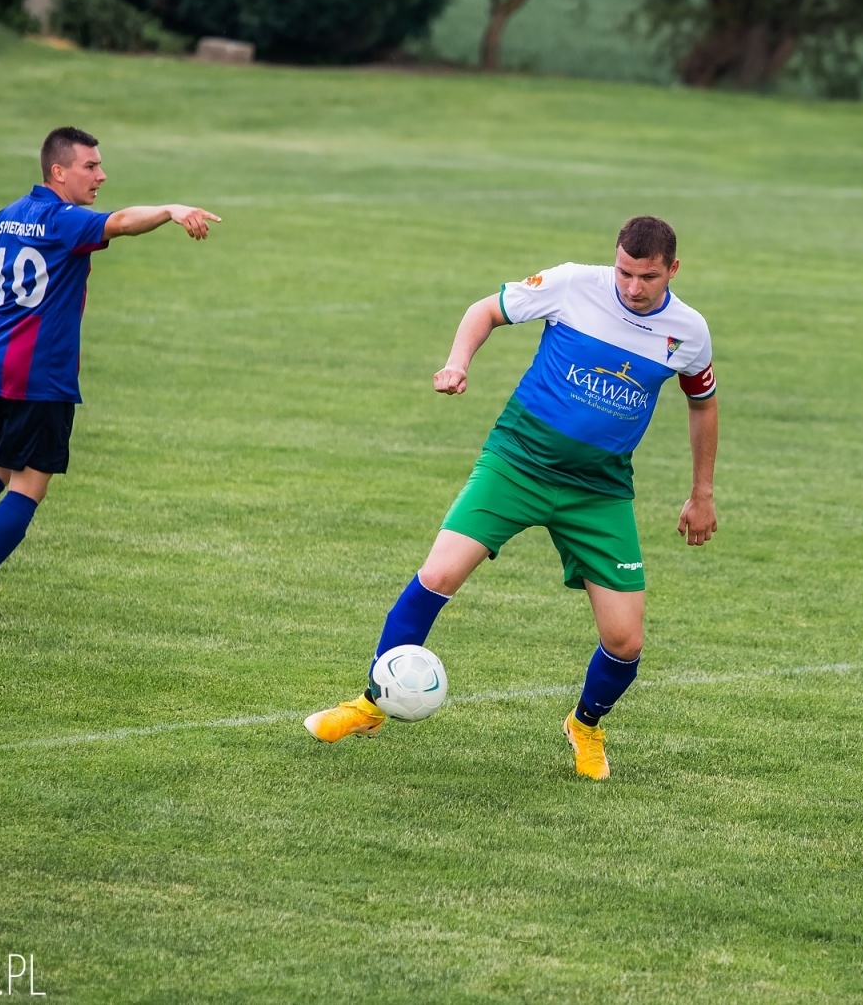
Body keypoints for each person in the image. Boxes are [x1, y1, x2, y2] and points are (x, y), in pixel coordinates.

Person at [304, 216, 719, 780]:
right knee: (438, 575)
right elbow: (486, 310)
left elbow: (703, 405)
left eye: (646, 277)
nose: (632, 287)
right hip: (517, 461)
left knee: (625, 640)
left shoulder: (689, 331)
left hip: (598, 491)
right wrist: (457, 363)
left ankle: (585, 725)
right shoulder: (574, 284)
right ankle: (372, 703)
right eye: (623, 272)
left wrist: (702, 493)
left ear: (673, 270)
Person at [0, 127, 220, 619]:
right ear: (58, 171)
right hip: (41, 376)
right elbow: (122, 222)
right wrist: (172, 210)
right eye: (91, 166)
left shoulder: (7, 216)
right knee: (29, 485)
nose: (101, 175)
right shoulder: (63, 220)